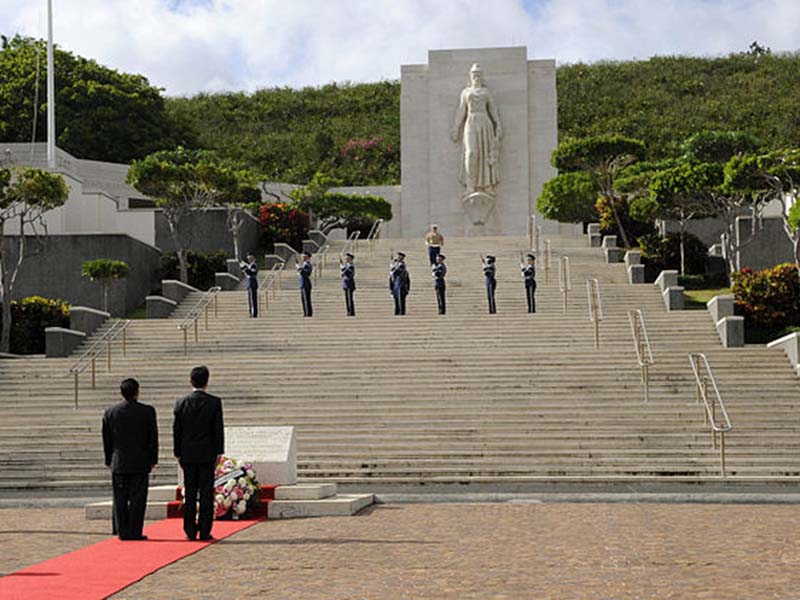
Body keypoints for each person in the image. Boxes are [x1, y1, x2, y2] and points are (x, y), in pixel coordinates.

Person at [102, 378, 158, 541]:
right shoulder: (147, 411)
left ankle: (122, 530)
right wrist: (153, 458)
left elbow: (107, 439)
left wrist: (108, 460)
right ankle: (135, 530)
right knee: (138, 499)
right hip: (141, 461)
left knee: (120, 497)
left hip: (119, 461)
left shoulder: (111, 412)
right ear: (137, 392)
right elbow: (152, 437)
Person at [173, 366, 224, 541]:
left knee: (190, 492)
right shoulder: (214, 402)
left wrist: (177, 453)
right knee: (206, 494)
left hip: (187, 453)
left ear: (190, 380)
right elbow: (218, 429)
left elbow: (177, 430)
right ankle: (204, 529)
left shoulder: (181, 402)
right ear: (207, 381)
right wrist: (219, 451)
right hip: (207, 453)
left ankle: (189, 529)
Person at [450, 63, 503, 196]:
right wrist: (456, 127)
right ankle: (470, 185)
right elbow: (461, 110)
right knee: (471, 152)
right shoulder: (466, 92)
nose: (476, 77)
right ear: (470, 76)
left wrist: (498, 125)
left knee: (485, 153)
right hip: (471, 122)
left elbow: (493, 109)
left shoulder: (486, 92)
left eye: (478, 74)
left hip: (485, 122)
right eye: (474, 74)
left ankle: (487, 185)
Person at [240, 254, 258, 318]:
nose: (249, 260)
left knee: (252, 300)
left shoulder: (253, 265)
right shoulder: (250, 265)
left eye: (250, 259)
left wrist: (245, 268)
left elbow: (252, 272)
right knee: (251, 300)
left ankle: (253, 313)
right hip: (250, 284)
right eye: (248, 259)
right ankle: (252, 312)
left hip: (252, 284)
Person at [296, 251, 313, 317]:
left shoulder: (307, 264)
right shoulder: (304, 264)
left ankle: (307, 313)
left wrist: (299, 268)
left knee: (306, 299)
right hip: (303, 284)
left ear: (307, 257)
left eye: (304, 256)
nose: (303, 257)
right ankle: (306, 312)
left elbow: (307, 273)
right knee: (304, 299)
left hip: (306, 284)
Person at [340, 252, 356, 317]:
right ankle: (348, 311)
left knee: (350, 299)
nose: (346, 259)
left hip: (350, 284)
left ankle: (351, 312)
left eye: (347, 258)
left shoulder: (351, 266)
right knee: (347, 299)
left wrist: (343, 268)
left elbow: (349, 274)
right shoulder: (346, 266)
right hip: (346, 284)